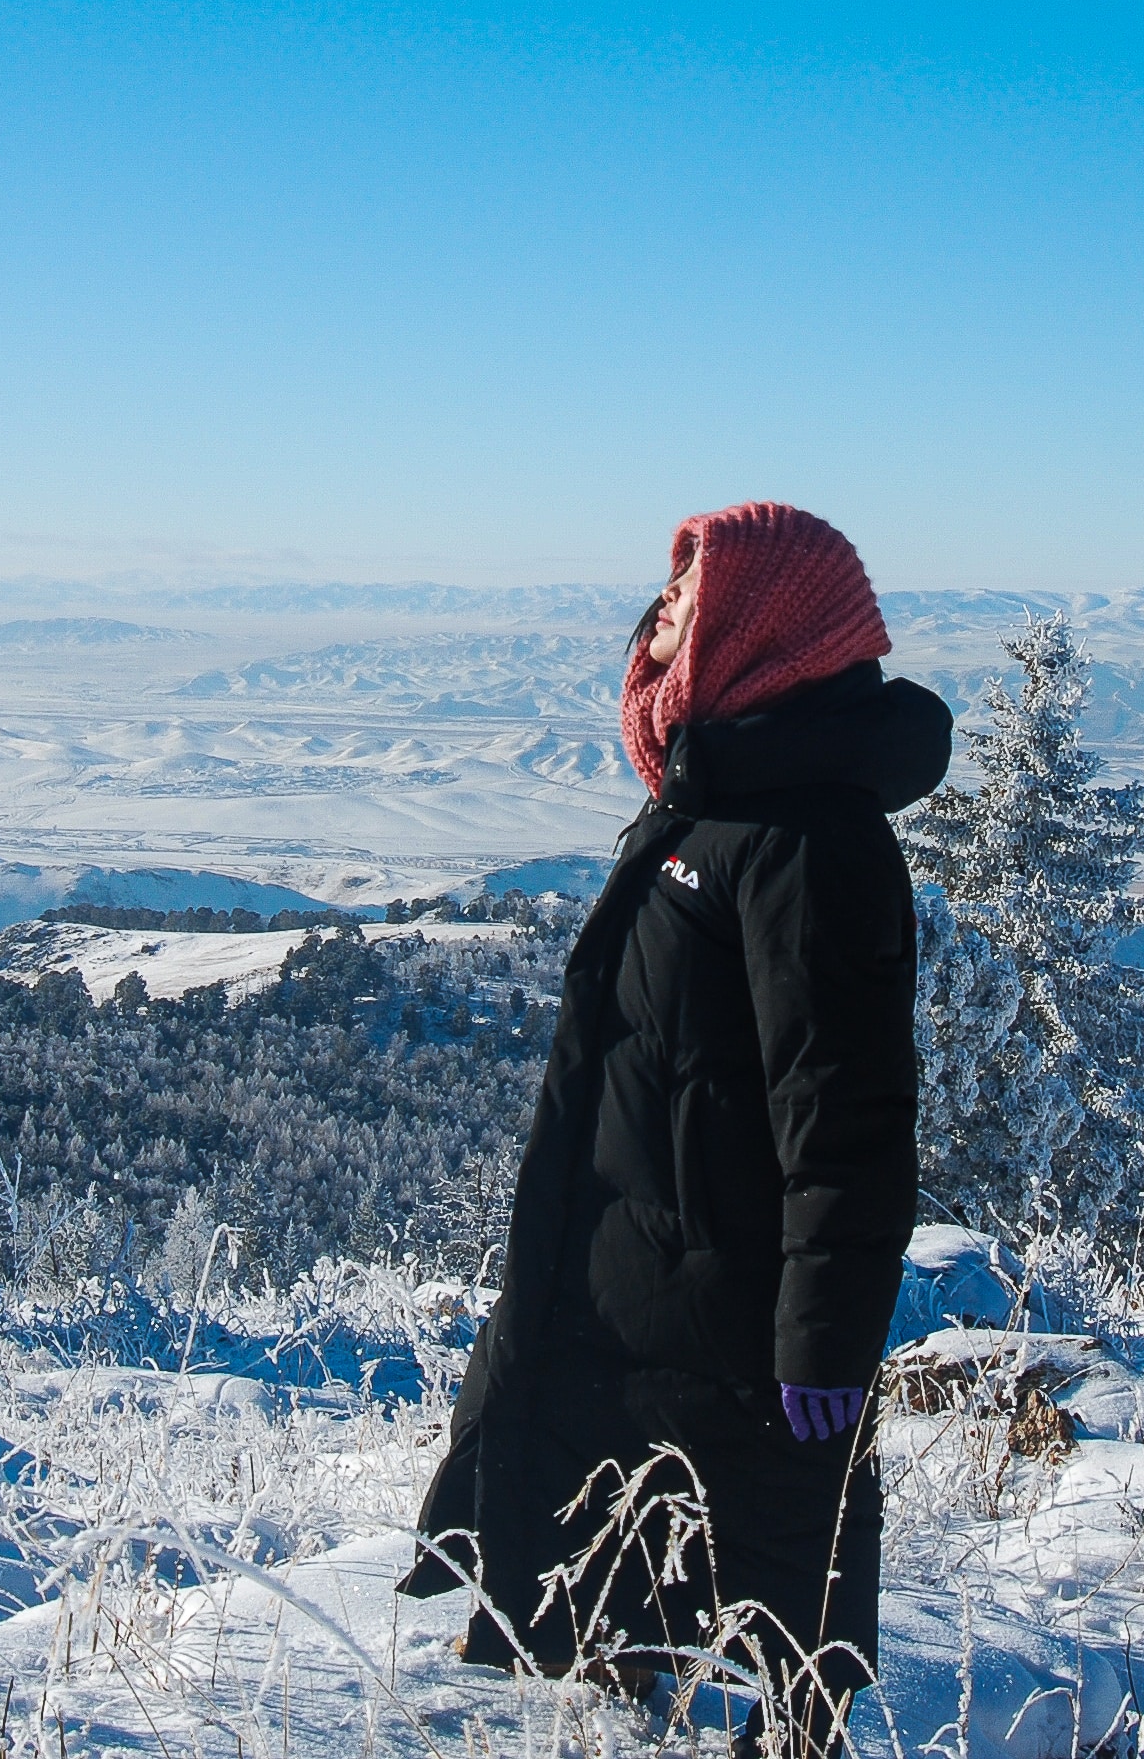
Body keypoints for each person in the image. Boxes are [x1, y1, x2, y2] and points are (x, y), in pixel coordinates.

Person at [405, 502, 951, 1752]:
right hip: (633, 1300)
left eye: (689, 603)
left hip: (725, 1322)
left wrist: (822, 1344)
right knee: (601, 1608)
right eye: (667, 597)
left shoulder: (807, 842)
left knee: (765, 1638)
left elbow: (847, 1122)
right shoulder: (712, 799)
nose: (658, 621)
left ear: (763, 630)